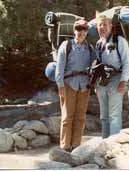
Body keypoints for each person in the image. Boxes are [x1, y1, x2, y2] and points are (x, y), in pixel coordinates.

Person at [55, 19, 95, 152]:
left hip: (84, 86)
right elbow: (59, 67)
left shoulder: (90, 48)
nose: (81, 32)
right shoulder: (66, 45)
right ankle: (65, 147)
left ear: (87, 32)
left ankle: (76, 146)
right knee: (67, 116)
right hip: (68, 84)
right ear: (74, 31)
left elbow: (94, 67)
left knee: (80, 117)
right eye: (78, 29)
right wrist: (60, 85)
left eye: (84, 29)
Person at [95, 15, 129, 138]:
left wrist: (123, 81)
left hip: (117, 80)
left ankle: (114, 146)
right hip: (101, 82)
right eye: (100, 25)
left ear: (111, 26)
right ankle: (105, 142)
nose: (102, 27)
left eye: (105, 24)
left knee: (114, 115)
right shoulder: (99, 43)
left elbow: (128, 62)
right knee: (104, 116)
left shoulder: (119, 41)